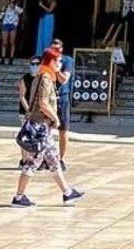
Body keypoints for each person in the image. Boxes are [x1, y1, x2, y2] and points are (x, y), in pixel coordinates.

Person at [11, 47, 82, 207]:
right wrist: (55, 118)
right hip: (40, 127)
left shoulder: (45, 76)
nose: (60, 64)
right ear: (51, 62)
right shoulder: (45, 79)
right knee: (32, 162)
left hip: (42, 127)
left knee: (54, 160)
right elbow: (43, 103)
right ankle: (19, 197)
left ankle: (68, 193)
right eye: (57, 61)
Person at [53, 39, 76, 166]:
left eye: (57, 48)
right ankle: (45, 156)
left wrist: (56, 70)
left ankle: (61, 158)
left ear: (61, 49)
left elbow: (64, 80)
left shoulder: (67, 61)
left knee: (63, 129)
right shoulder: (47, 60)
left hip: (62, 97)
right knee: (45, 129)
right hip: (49, 97)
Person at [0, 0, 24, 65]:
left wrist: (15, 6)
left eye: (15, 1)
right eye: (12, 1)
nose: (13, 3)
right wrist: (4, 10)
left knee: (12, 42)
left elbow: (21, 12)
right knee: (4, 43)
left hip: (13, 25)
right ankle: (3, 58)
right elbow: (0, 17)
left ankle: (11, 58)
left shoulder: (17, 8)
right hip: (5, 24)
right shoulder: (6, 7)